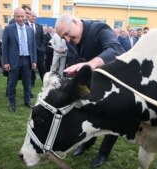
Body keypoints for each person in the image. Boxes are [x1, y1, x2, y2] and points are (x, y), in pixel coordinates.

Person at [55, 14, 125, 168]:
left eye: (67, 33)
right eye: (63, 37)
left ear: (75, 22)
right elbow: (77, 60)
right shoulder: (72, 40)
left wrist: (90, 65)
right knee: (86, 112)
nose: (66, 39)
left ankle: (103, 154)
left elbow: (116, 49)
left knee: (112, 119)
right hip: (91, 83)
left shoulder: (100, 28)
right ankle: (86, 144)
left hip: (114, 85)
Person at [2, 7, 37, 112]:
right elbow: (4, 46)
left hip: (27, 60)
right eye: (18, 16)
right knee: (12, 83)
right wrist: (6, 62)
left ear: (26, 16)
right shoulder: (9, 29)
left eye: (22, 16)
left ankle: (27, 102)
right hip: (13, 61)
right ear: (14, 17)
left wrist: (34, 61)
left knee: (27, 83)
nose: (20, 19)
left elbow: (33, 47)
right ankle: (12, 104)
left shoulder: (30, 30)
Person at [28, 11, 46, 81]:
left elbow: (43, 39)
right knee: (30, 68)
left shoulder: (39, 26)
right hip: (29, 52)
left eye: (35, 16)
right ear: (29, 16)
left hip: (39, 52)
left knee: (42, 68)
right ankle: (32, 82)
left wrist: (42, 48)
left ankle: (44, 82)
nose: (34, 18)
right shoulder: (25, 25)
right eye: (33, 16)